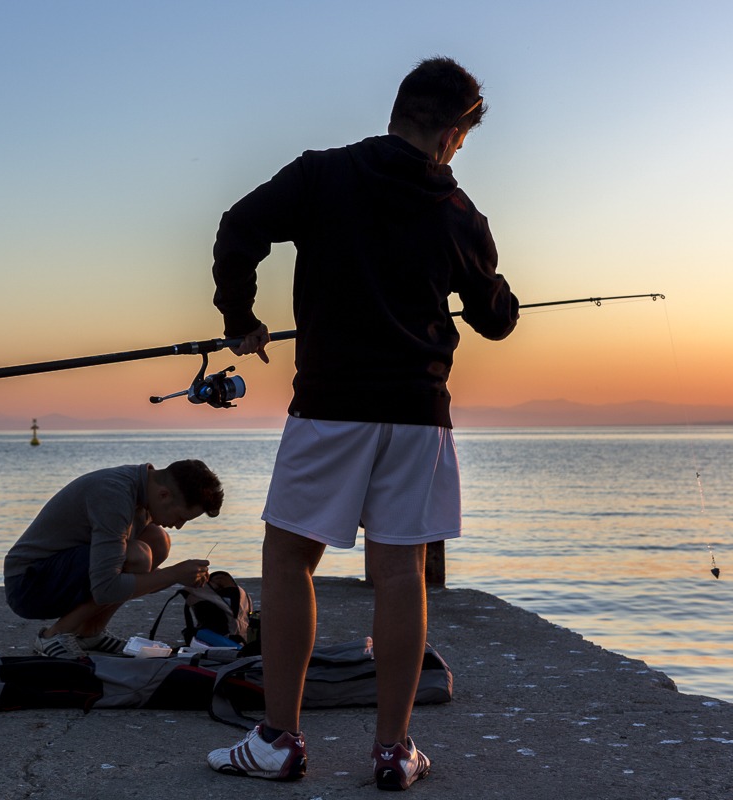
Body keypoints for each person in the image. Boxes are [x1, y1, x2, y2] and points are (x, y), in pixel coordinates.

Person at [205, 57, 519, 790]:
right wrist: (494, 289)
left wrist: (240, 318)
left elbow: (238, 228)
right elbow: (495, 319)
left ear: (399, 110)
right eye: (465, 139)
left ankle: (280, 739)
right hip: (417, 415)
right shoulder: (458, 213)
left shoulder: (322, 175)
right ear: (452, 131)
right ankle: (393, 751)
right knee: (400, 572)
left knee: (288, 561)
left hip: (330, 407)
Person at [4, 460, 223, 659]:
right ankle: (53, 636)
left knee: (158, 540)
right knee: (138, 555)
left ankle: (90, 632)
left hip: (58, 572)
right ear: (164, 495)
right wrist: (173, 574)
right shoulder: (114, 494)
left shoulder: (144, 491)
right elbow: (107, 587)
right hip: (28, 584)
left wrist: (177, 577)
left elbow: (135, 580)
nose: (179, 525)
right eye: (181, 517)